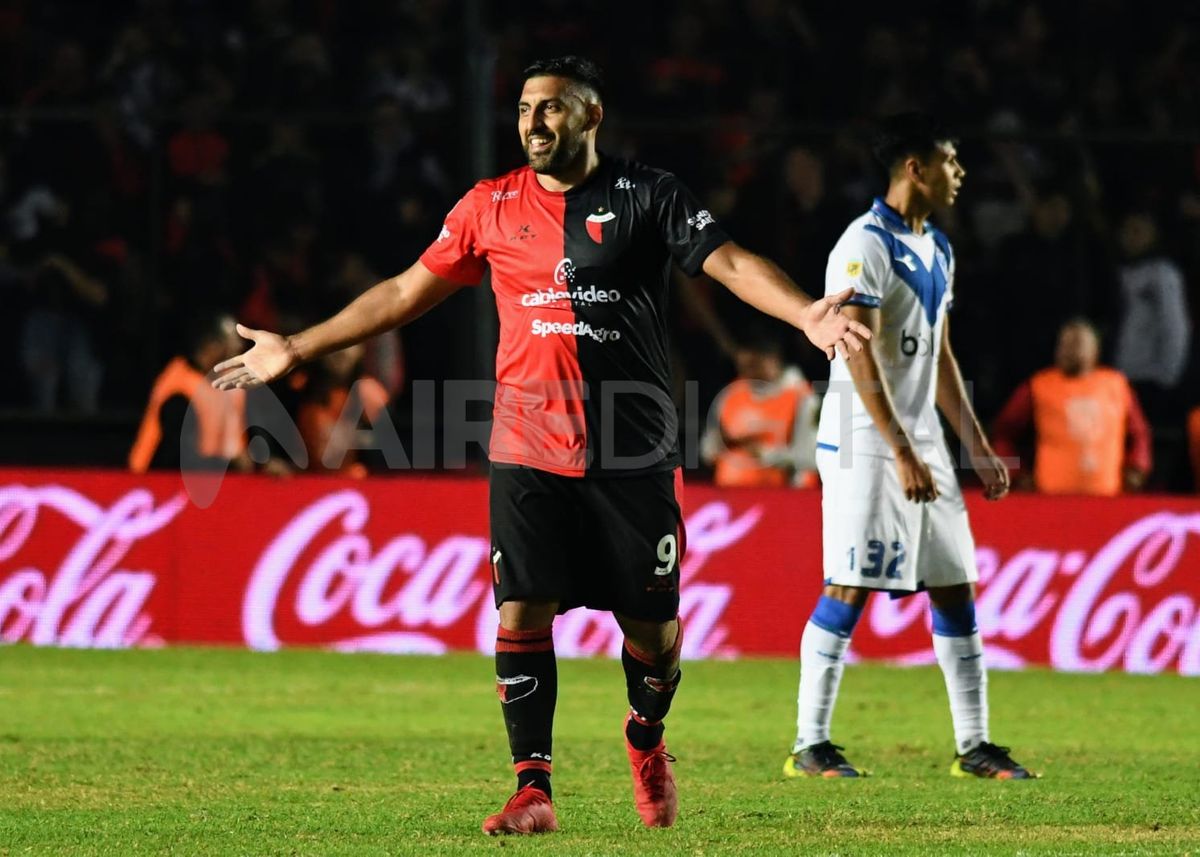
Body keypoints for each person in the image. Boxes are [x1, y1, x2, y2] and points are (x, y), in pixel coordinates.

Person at [211, 56, 870, 835]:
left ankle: (646, 737)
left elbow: (727, 262)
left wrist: (804, 315)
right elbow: (399, 293)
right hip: (527, 447)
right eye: (525, 108)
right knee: (521, 610)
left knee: (653, 637)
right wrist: (298, 344)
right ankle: (534, 788)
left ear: (592, 116)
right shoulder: (488, 206)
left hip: (634, 453)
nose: (534, 121)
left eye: (553, 108)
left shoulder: (648, 195)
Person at [785, 113, 1037, 782]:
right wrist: (898, 448)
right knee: (850, 580)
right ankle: (810, 744)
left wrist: (976, 443)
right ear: (915, 168)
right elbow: (858, 354)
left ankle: (975, 745)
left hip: (919, 436)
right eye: (951, 162)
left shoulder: (939, 247)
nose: (961, 174)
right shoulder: (862, 244)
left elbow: (940, 351)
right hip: (865, 438)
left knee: (955, 585)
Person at [991, 318, 1152, 496]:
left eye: (1079, 343)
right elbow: (1003, 433)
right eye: (1066, 344)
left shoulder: (1116, 385)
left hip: (1107, 496)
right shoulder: (1038, 386)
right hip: (1050, 496)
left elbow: (1139, 433)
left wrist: (1137, 466)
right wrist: (1016, 475)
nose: (1072, 350)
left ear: (1095, 349)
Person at [129, 313, 248, 473]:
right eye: (232, 342)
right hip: (156, 482)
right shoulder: (178, 385)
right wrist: (231, 463)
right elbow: (178, 455)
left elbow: (237, 450)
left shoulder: (231, 383)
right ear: (211, 346)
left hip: (219, 482)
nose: (239, 347)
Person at [701, 328, 818, 488]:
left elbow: (812, 457)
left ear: (772, 359)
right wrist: (720, 442)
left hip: (783, 498)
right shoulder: (731, 394)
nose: (746, 373)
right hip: (729, 497)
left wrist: (765, 454)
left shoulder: (802, 397)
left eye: (752, 365)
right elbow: (707, 451)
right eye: (741, 366)